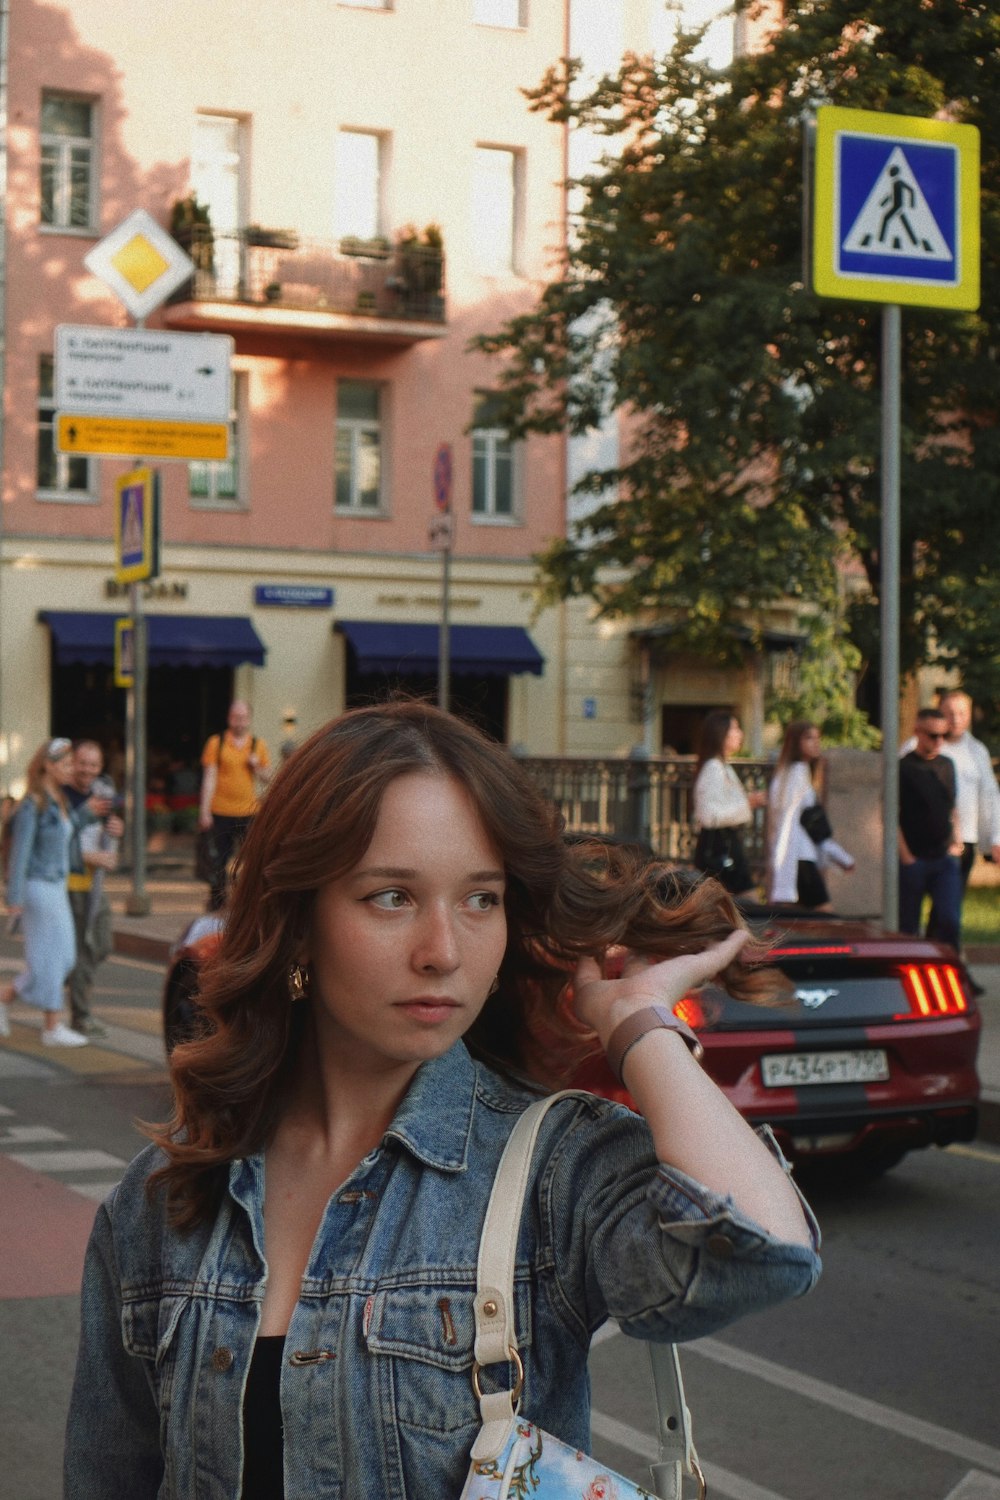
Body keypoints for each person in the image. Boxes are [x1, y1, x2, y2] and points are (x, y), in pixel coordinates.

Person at [65, 701, 820, 1500]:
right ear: (298, 918)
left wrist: (637, 1023)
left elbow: (765, 1253)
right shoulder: (165, 1201)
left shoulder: (550, 1168)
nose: (444, 951)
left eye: (480, 898)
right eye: (391, 896)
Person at [1, 739, 107, 1047]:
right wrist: (14, 899)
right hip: (38, 887)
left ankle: (4, 998)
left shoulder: (58, 799)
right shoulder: (33, 804)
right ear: (48, 765)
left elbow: (71, 828)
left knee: (63, 958)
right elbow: (19, 854)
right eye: (65, 764)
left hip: (57, 885)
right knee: (50, 959)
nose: (71, 769)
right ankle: (51, 1028)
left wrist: (88, 814)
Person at [65, 741, 125, 1038]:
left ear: (100, 767)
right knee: (84, 951)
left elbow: (106, 836)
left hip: (95, 884)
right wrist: (91, 857)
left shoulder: (102, 796)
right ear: (73, 762)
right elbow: (58, 845)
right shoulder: (63, 796)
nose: (87, 770)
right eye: (82, 763)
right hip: (70, 885)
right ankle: (80, 1015)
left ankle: (64, 976)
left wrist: (116, 833)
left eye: (93, 765)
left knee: (102, 944)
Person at [767, 721, 855, 909]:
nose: (816, 743)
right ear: (795, 742)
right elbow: (789, 823)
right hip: (799, 859)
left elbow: (811, 826)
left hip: (800, 857)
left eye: (817, 738)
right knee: (824, 916)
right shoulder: (796, 775)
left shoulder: (796, 773)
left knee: (800, 920)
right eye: (809, 738)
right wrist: (782, 868)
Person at [898, 707, 963, 947]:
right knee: (908, 927)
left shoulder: (947, 765)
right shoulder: (904, 767)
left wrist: (957, 841)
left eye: (943, 735)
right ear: (918, 732)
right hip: (914, 859)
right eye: (933, 735)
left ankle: (952, 976)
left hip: (944, 858)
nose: (939, 741)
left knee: (949, 921)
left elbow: (952, 806)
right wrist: (906, 857)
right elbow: (890, 815)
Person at [198, 700, 272, 910]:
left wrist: (257, 766)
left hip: (249, 811)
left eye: (243, 718)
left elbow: (269, 777)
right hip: (220, 811)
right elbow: (209, 778)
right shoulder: (216, 743)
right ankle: (217, 902)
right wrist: (204, 812)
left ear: (249, 719)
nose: (238, 722)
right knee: (218, 861)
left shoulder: (258, 745)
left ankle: (250, 900)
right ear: (229, 718)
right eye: (235, 717)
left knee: (253, 859)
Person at [691, 709, 766, 897]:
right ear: (720, 733)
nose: (740, 734)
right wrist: (747, 804)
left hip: (725, 844)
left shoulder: (721, 766)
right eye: (735, 728)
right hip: (720, 847)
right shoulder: (713, 768)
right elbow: (709, 815)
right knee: (748, 903)